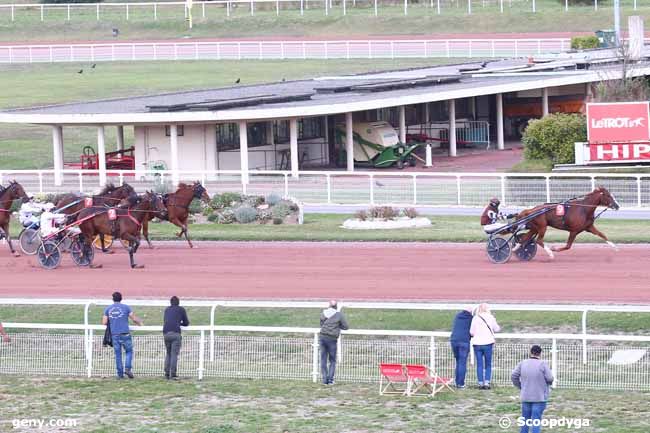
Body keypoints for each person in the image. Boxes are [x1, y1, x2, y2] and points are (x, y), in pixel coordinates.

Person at [512, 345, 554, 433]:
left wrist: (521, 386)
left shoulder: (523, 363)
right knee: (536, 421)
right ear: (540, 353)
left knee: (525, 420)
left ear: (530, 352)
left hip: (526, 396)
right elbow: (550, 378)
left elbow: (514, 376)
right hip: (539, 397)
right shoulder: (543, 364)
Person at [102, 292, 143, 379]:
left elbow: (104, 322)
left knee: (118, 354)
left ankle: (120, 374)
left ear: (113, 299)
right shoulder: (126, 307)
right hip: (125, 334)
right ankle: (127, 368)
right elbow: (134, 319)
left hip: (115, 335)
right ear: (121, 298)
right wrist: (140, 323)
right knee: (129, 351)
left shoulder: (108, 309)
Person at [470, 303, 501, 390]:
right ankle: (487, 382)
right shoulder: (491, 317)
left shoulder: (475, 318)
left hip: (477, 343)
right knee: (488, 364)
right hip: (488, 343)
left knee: (479, 364)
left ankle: (480, 383)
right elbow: (497, 329)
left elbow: (471, 332)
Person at [319, 300, 349, 385]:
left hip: (322, 337)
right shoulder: (339, 315)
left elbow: (321, 324)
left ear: (329, 306)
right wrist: (338, 326)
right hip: (332, 339)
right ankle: (330, 380)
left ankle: (324, 380)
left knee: (323, 359)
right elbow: (346, 327)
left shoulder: (323, 313)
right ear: (336, 306)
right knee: (332, 360)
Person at [163, 296, 190, 380]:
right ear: (178, 302)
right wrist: (179, 323)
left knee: (168, 353)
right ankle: (173, 374)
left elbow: (165, 320)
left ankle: (167, 373)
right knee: (174, 354)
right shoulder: (181, 309)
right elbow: (186, 323)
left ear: (170, 302)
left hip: (166, 333)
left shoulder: (167, 310)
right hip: (175, 333)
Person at [449, 305, 473, 389]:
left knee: (458, 361)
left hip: (454, 340)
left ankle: (457, 382)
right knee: (462, 363)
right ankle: (461, 383)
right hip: (464, 341)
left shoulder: (457, 316)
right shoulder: (471, 318)